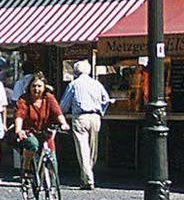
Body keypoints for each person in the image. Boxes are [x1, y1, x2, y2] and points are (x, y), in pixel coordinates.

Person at [60, 59, 112, 190]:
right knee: (93, 149)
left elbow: (64, 104)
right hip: (95, 117)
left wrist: (62, 115)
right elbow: (106, 100)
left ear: (76, 71)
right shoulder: (96, 84)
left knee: (83, 149)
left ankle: (87, 178)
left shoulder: (74, 84)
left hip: (80, 117)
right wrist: (101, 112)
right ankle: (88, 174)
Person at [13, 73, 66, 179]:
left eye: (39, 86)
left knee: (52, 157)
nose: (36, 89)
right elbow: (20, 115)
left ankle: (51, 185)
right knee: (33, 145)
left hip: (46, 131)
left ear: (44, 87)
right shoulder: (24, 99)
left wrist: (63, 123)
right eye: (34, 86)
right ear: (29, 87)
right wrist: (18, 129)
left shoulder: (49, 98)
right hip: (29, 131)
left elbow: (57, 112)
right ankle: (26, 168)